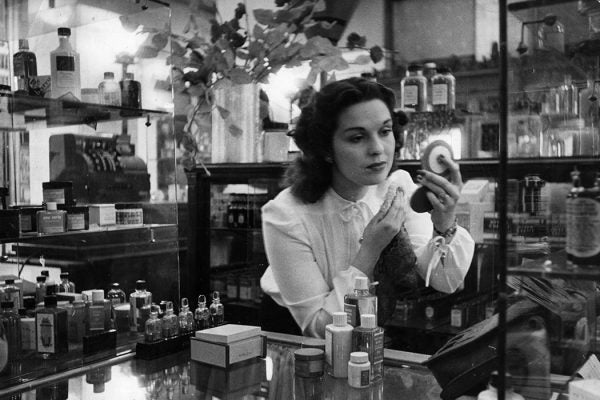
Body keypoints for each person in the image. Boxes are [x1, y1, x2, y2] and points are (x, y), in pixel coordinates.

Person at [260, 77, 475, 338]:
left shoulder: (397, 186)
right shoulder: (285, 215)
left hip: (370, 341)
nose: (377, 149)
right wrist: (370, 249)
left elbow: (444, 281)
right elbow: (319, 329)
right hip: (297, 342)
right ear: (326, 149)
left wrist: (445, 223)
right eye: (357, 137)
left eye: (384, 131)